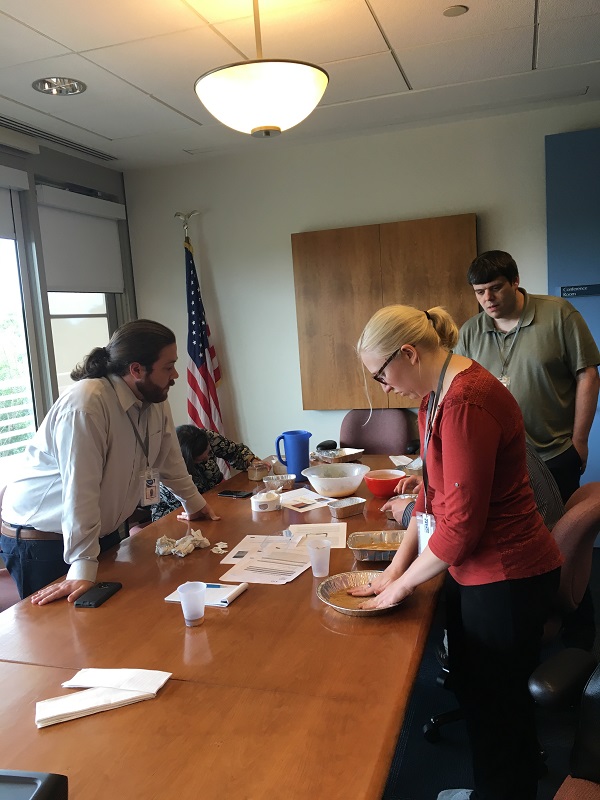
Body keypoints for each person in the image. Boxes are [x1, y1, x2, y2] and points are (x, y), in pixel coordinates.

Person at [352, 304, 563, 800]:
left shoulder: (468, 401)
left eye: (381, 374)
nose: (382, 387)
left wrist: (401, 586)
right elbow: (431, 499)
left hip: (508, 576)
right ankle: (506, 783)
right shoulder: (433, 398)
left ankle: (504, 791)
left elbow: (461, 529)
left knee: (496, 707)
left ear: (408, 352)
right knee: (479, 693)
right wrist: (395, 570)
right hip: (477, 574)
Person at [0, 319, 219, 606]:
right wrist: (81, 564)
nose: (176, 375)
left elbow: (169, 460)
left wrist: (195, 505)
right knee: (63, 640)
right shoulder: (87, 405)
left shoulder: (156, 399)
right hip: (43, 540)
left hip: (95, 534)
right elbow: (80, 490)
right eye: (168, 366)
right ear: (136, 369)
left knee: (114, 628)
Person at [453, 250, 600, 504]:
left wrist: (580, 442)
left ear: (515, 281)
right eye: (480, 292)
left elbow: (587, 374)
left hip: (554, 454)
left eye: (496, 287)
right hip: (496, 460)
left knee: (560, 536)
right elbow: (457, 392)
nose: (488, 298)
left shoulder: (560, 314)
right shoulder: (470, 332)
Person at [386, 441, 565, 532]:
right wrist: (437, 482)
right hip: (546, 544)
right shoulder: (503, 438)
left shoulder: (477, 453)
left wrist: (409, 512)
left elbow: (461, 530)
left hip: (527, 566)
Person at [151, 424, 268, 521]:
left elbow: (235, 451)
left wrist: (252, 461)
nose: (208, 458)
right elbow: (183, 503)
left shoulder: (207, 437)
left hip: (215, 498)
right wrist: (194, 507)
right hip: (176, 514)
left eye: (209, 452)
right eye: (201, 459)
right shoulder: (170, 460)